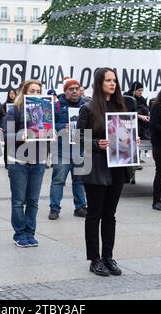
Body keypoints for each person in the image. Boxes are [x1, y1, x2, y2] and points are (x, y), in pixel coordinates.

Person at [77, 67, 132, 277]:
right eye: (108, 80)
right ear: (99, 83)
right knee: (94, 215)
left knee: (110, 215)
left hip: (117, 167)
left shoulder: (120, 107)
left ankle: (108, 256)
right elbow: (79, 138)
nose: (112, 84)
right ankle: (95, 259)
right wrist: (96, 143)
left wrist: (132, 140)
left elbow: (125, 134)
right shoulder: (89, 108)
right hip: (96, 168)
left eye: (114, 80)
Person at [2, 80, 48, 248]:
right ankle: (19, 233)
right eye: (32, 91)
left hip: (39, 160)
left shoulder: (46, 111)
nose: (35, 94)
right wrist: (20, 135)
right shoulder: (15, 111)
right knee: (18, 200)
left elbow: (49, 130)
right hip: (18, 161)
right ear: (24, 92)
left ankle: (30, 233)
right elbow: (6, 134)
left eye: (38, 91)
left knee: (33, 200)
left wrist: (53, 133)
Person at [48, 78, 87, 220]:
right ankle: (54, 209)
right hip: (61, 150)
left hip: (80, 149)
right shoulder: (57, 106)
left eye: (77, 88)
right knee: (58, 181)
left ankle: (80, 207)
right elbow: (48, 125)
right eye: (71, 89)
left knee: (80, 181)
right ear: (65, 91)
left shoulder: (86, 105)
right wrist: (61, 127)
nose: (75, 91)